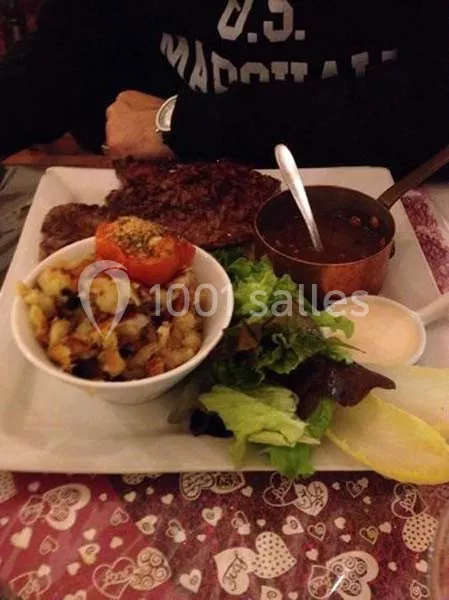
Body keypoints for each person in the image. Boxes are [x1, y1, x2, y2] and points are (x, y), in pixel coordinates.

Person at [0, 0, 448, 176]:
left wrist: (188, 124)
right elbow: (65, 53)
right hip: (174, 189)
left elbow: (431, 109)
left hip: (396, 189)